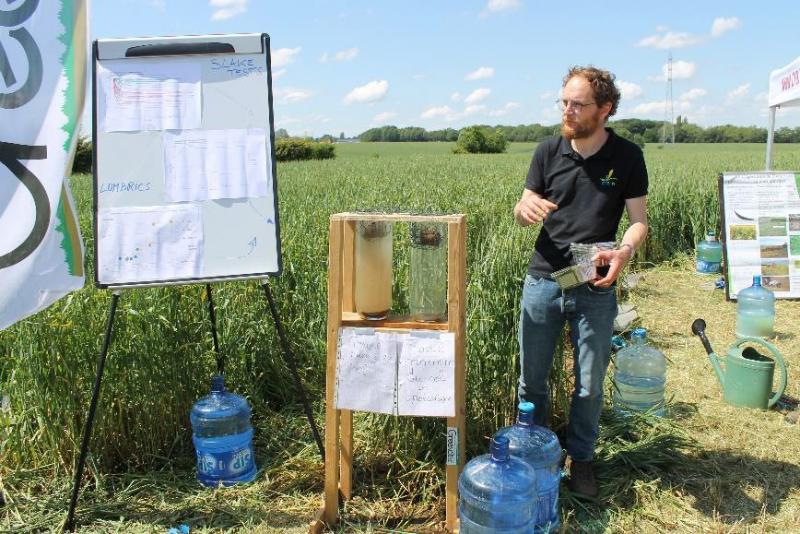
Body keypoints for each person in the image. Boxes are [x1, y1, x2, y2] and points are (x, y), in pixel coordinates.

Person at [513, 65, 649, 498]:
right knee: (531, 378)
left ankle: (582, 459)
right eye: (564, 102)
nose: (568, 110)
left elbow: (638, 222)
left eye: (578, 104)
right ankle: (530, 454)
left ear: (604, 109)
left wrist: (623, 253)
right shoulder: (547, 151)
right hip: (543, 280)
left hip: (595, 282)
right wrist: (524, 209)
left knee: (589, 382)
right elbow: (525, 203)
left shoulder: (628, 157)